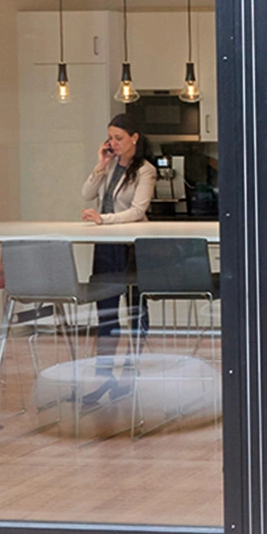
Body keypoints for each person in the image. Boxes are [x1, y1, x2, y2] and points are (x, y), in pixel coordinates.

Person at [78, 114, 155, 404]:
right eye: (110, 138)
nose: (114, 143)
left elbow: (137, 211)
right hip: (106, 245)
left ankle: (129, 374)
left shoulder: (145, 171)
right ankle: (103, 376)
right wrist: (101, 164)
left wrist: (104, 219)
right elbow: (87, 194)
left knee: (135, 310)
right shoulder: (109, 166)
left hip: (132, 247)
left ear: (134, 138)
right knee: (106, 312)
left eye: (119, 138)